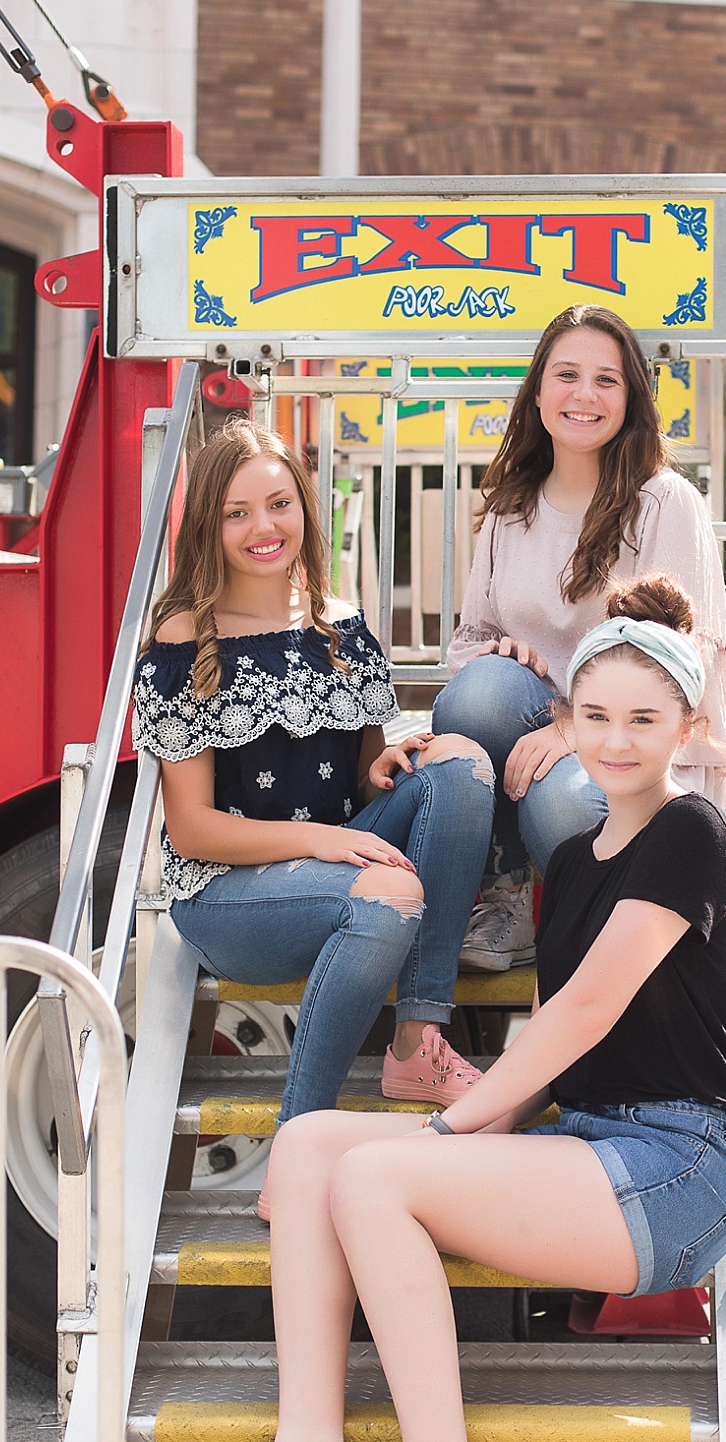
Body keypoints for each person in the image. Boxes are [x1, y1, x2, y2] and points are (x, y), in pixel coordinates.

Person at [166, 574, 726, 1442]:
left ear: (686, 725)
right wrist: (481, 1113)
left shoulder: (690, 833)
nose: (616, 740)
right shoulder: (570, 861)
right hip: (593, 1143)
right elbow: (554, 1046)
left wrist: (445, 1137)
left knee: (380, 1177)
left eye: (644, 718)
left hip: (682, 1166)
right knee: (311, 1144)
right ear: (566, 718)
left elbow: (583, 1013)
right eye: (597, 714)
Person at [133, 419, 495, 1121]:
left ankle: (418, 1040)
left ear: (304, 506)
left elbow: (361, 784)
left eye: (279, 504)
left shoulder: (343, 625)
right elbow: (192, 830)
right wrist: (319, 842)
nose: (263, 527)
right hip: (230, 896)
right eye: (237, 513)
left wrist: (385, 764)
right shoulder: (184, 636)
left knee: (461, 763)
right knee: (386, 894)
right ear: (209, 525)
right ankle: (301, 1135)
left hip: (339, 860)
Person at [432, 302, 726, 973]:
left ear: (631, 399)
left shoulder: (664, 502)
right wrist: (498, 653)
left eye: (607, 379)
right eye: (567, 374)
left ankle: (605, 959)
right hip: (535, 717)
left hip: (632, 742)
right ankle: (507, 900)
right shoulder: (511, 510)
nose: (584, 395)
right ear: (538, 391)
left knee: (565, 801)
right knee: (477, 696)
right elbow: (467, 644)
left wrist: (576, 726)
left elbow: (681, 661)